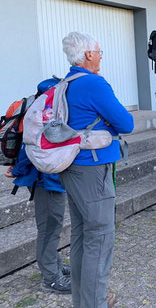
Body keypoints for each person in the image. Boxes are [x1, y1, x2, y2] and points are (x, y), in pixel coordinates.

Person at [60, 32, 134, 308]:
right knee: (100, 239)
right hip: (93, 169)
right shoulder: (93, 83)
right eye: (99, 52)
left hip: (73, 168)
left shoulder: (66, 83)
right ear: (88, 55)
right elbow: (126, 123)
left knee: (81, 235)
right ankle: (95, 302)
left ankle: (83, 300)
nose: (102, 56)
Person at [4, 79, 70, 295]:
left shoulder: (40, 109)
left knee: (51, 226)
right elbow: (28, 147)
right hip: (45, 180)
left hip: (45, 178)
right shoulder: (45, 113)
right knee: (49, 227)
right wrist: (16, 170)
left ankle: (54, 266)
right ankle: (50, 278)